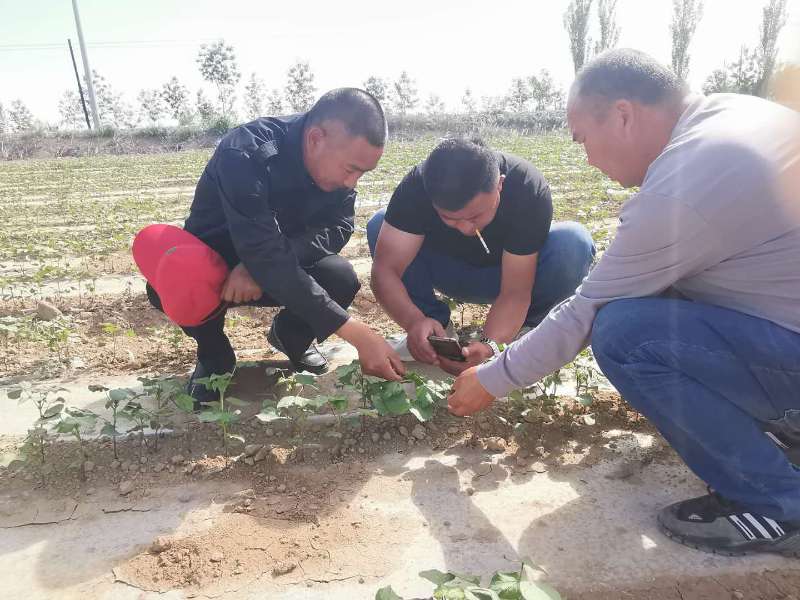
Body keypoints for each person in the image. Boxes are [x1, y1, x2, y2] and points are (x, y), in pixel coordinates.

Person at [448, 48, 800, 556]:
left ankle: (779, 505)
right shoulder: (735, 114)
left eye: (582, 139)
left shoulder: (686, 182)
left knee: (626, 334)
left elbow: (586, 310)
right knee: (664, 294)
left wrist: (491, 379)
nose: (587, 158)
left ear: (622, 115)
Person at [146, 88, 405, 405]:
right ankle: (214, 356)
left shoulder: (336, 169)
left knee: (340, 277)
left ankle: (291, 336)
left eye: (362, 173)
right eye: (350, 169)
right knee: (169, 284)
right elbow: (260, 247)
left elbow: (338, 227)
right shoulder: (245, 152)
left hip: (274, 261)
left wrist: (260, 266)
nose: (351, 183)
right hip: (215, 269)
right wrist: (357, 334)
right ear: (315, 139)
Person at [367, 138, 595, 375]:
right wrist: (414, 320)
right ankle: (435, 335)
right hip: (447, 271)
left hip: (509, 276)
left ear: (500, 185)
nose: (466, 228)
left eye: (475, 216)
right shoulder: (418, 186)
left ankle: (522, 342)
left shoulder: (526, 188)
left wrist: (490, 346)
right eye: (450, 218)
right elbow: (386, 271)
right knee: (380, 225)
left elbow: (515, 292)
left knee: (572, 243)